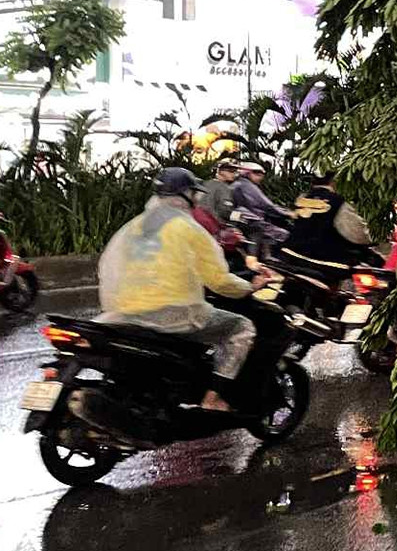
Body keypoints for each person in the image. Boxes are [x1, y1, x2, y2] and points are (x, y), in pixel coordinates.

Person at [95, 168, 274, 412]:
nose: (198, 199)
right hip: (172, 315)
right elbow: (220, 282)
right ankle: (212, 399)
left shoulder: (131, 228)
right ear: (187, 194)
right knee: (241, 328)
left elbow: (106, 269)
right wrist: (250, 286)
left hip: (121, 314)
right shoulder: (189, 228)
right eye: (195, 194)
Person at [280, 172, 379, 277]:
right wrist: (375, 236)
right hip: (325, 262)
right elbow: (358, 234)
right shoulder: (339, 202)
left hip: (290, 253)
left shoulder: (302, 198)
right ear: (333, 181)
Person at [232, 161, 292, 248]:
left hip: (243, 219)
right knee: (284, 234)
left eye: (261, 175)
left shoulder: (238, 184)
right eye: (257, 174)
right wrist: (288, 214)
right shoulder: (247, 185)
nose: (260, 178)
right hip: (250, 220)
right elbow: (266, 205)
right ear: (247, 173)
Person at [200, 159, 238, 225]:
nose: (234, 174)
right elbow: (225, 211)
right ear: (219, 170)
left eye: (235, 171)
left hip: (200, 222)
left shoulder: (205, 183)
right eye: (231, 170)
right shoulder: (223, 187)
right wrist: (240, 216)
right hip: (214, 226)